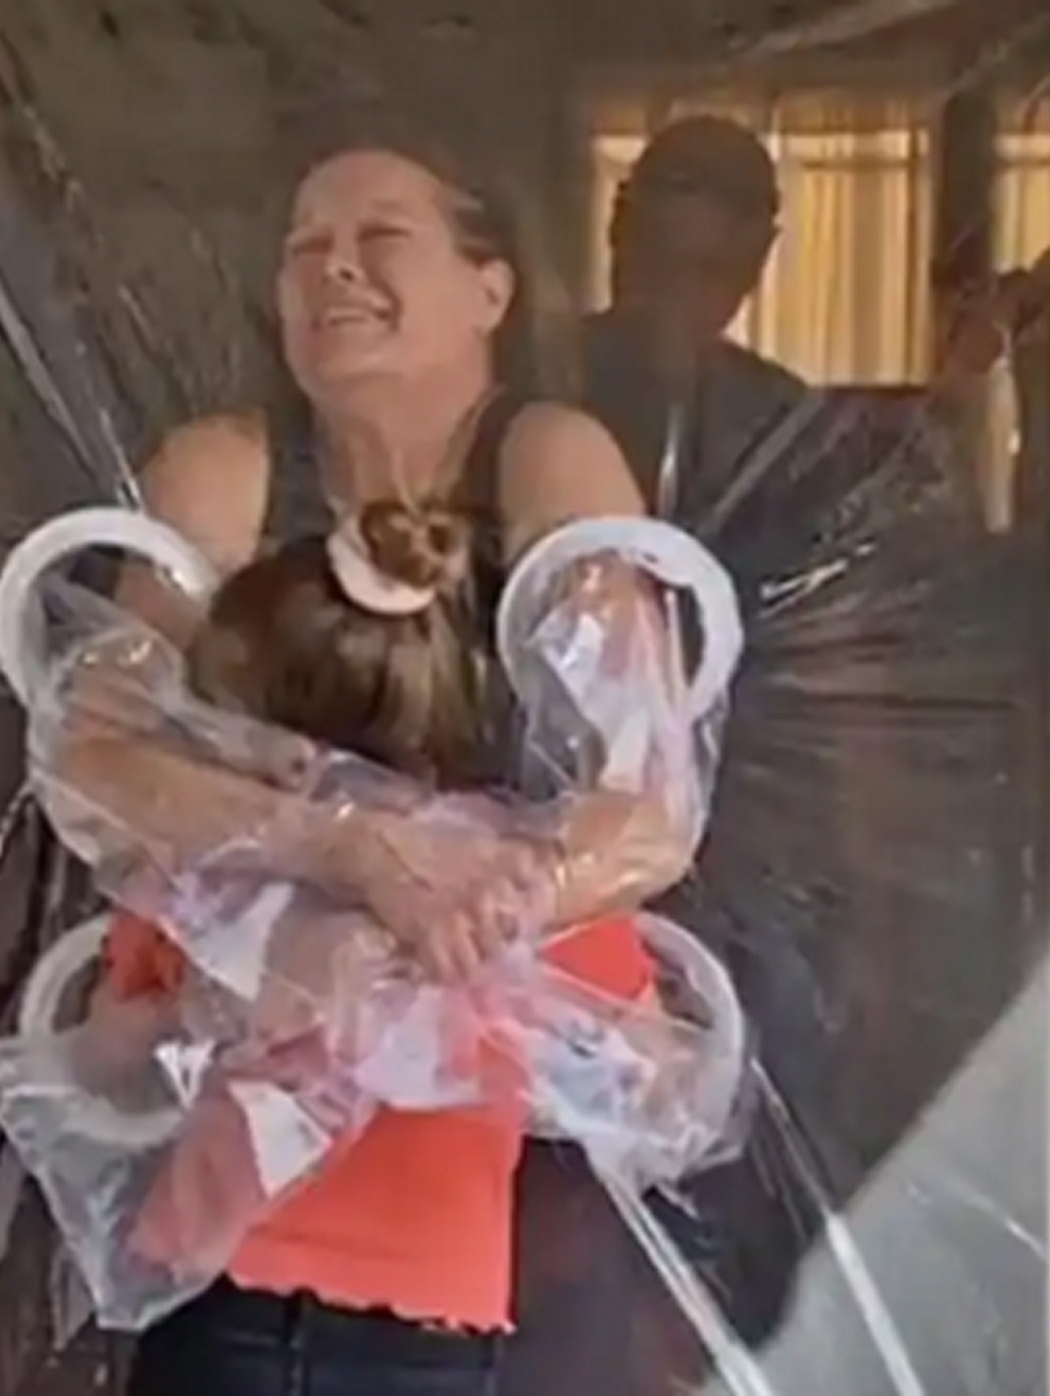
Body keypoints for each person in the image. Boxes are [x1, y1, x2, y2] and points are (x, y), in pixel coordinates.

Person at [48, 127, 703, 1394]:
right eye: (304, 247)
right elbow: (93, 760)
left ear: (491, 288)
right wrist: (347, 858)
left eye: (378, 237)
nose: (332, 269)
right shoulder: (224, 470)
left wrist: (434, 927)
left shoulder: (546, 457)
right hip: (254, 1243)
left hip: (487, 1215)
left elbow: (649, 813)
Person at [88, 500, 669, 1396]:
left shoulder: (208, 868)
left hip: (219, 1293)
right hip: (430, 1318)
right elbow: (659, 1087)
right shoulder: (519, 883)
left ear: (260, 741)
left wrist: (217, 1008)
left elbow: (106, 1059)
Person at [580, 116, 813, 518]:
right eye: (658, 267)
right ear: (618, 226)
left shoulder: (783, 423)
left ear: (759, 260)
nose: (677, 301)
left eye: (710, 273)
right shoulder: (527, 380)